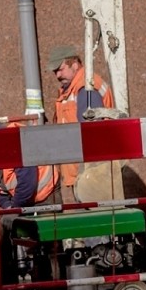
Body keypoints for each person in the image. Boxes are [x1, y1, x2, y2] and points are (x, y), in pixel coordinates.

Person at [0, 125, 59, 289]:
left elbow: (27, 185)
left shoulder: (14, 148)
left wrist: (13, 209)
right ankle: (7, 286)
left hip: (45, 191)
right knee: (2, 234)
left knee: (47, 236)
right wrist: (8, 207)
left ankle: (50, 283)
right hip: (17, 198)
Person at [47, 45, 116, 204]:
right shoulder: (72, 90)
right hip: (82, 172)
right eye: (55, 71)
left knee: (97, 221)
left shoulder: (86, 88)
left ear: (75, 64)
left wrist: (88, 172)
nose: (57, 75)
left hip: (89, 173)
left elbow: (91, 134)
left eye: (60, 69)